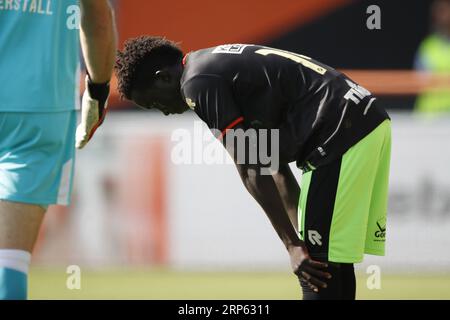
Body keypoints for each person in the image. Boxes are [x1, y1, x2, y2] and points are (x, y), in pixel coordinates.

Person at [115, 37, 391, 300]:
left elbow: (250, 167)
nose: (162, 111)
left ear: (164, 77)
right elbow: (274, 166)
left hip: (341, 130)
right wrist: (300, 236)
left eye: (153, 102)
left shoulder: (196, 83)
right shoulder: (216, 67)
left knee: (315, 270)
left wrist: (293, 246)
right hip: (364, 121)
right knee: (328, 260)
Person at [0, 0, 117, 299]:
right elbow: (98, 17)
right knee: (9, 264)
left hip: (39, 111)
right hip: (40, 110)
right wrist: (98, 91)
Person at [414, 0, 450, 113]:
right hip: (430, 116)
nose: (443, 17)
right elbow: (417, 81)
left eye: (445, 11)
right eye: (440, 12)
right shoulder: (427, 46)